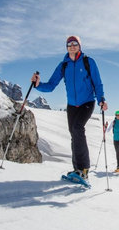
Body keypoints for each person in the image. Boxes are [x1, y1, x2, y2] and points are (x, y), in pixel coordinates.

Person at [31, 35, 108, 181]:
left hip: (87, 102)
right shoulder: (63, 65)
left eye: (75, 43)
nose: (72, 46)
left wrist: (101, 99)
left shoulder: (88, 62)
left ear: (79, 46)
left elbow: (97, 83)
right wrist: (38, 84)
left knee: (78, 128)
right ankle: (76, 170)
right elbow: (51, 85)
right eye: (69, 44)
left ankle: (84, 169)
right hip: (72, 105)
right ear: (66, 47)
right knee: (74, 134)